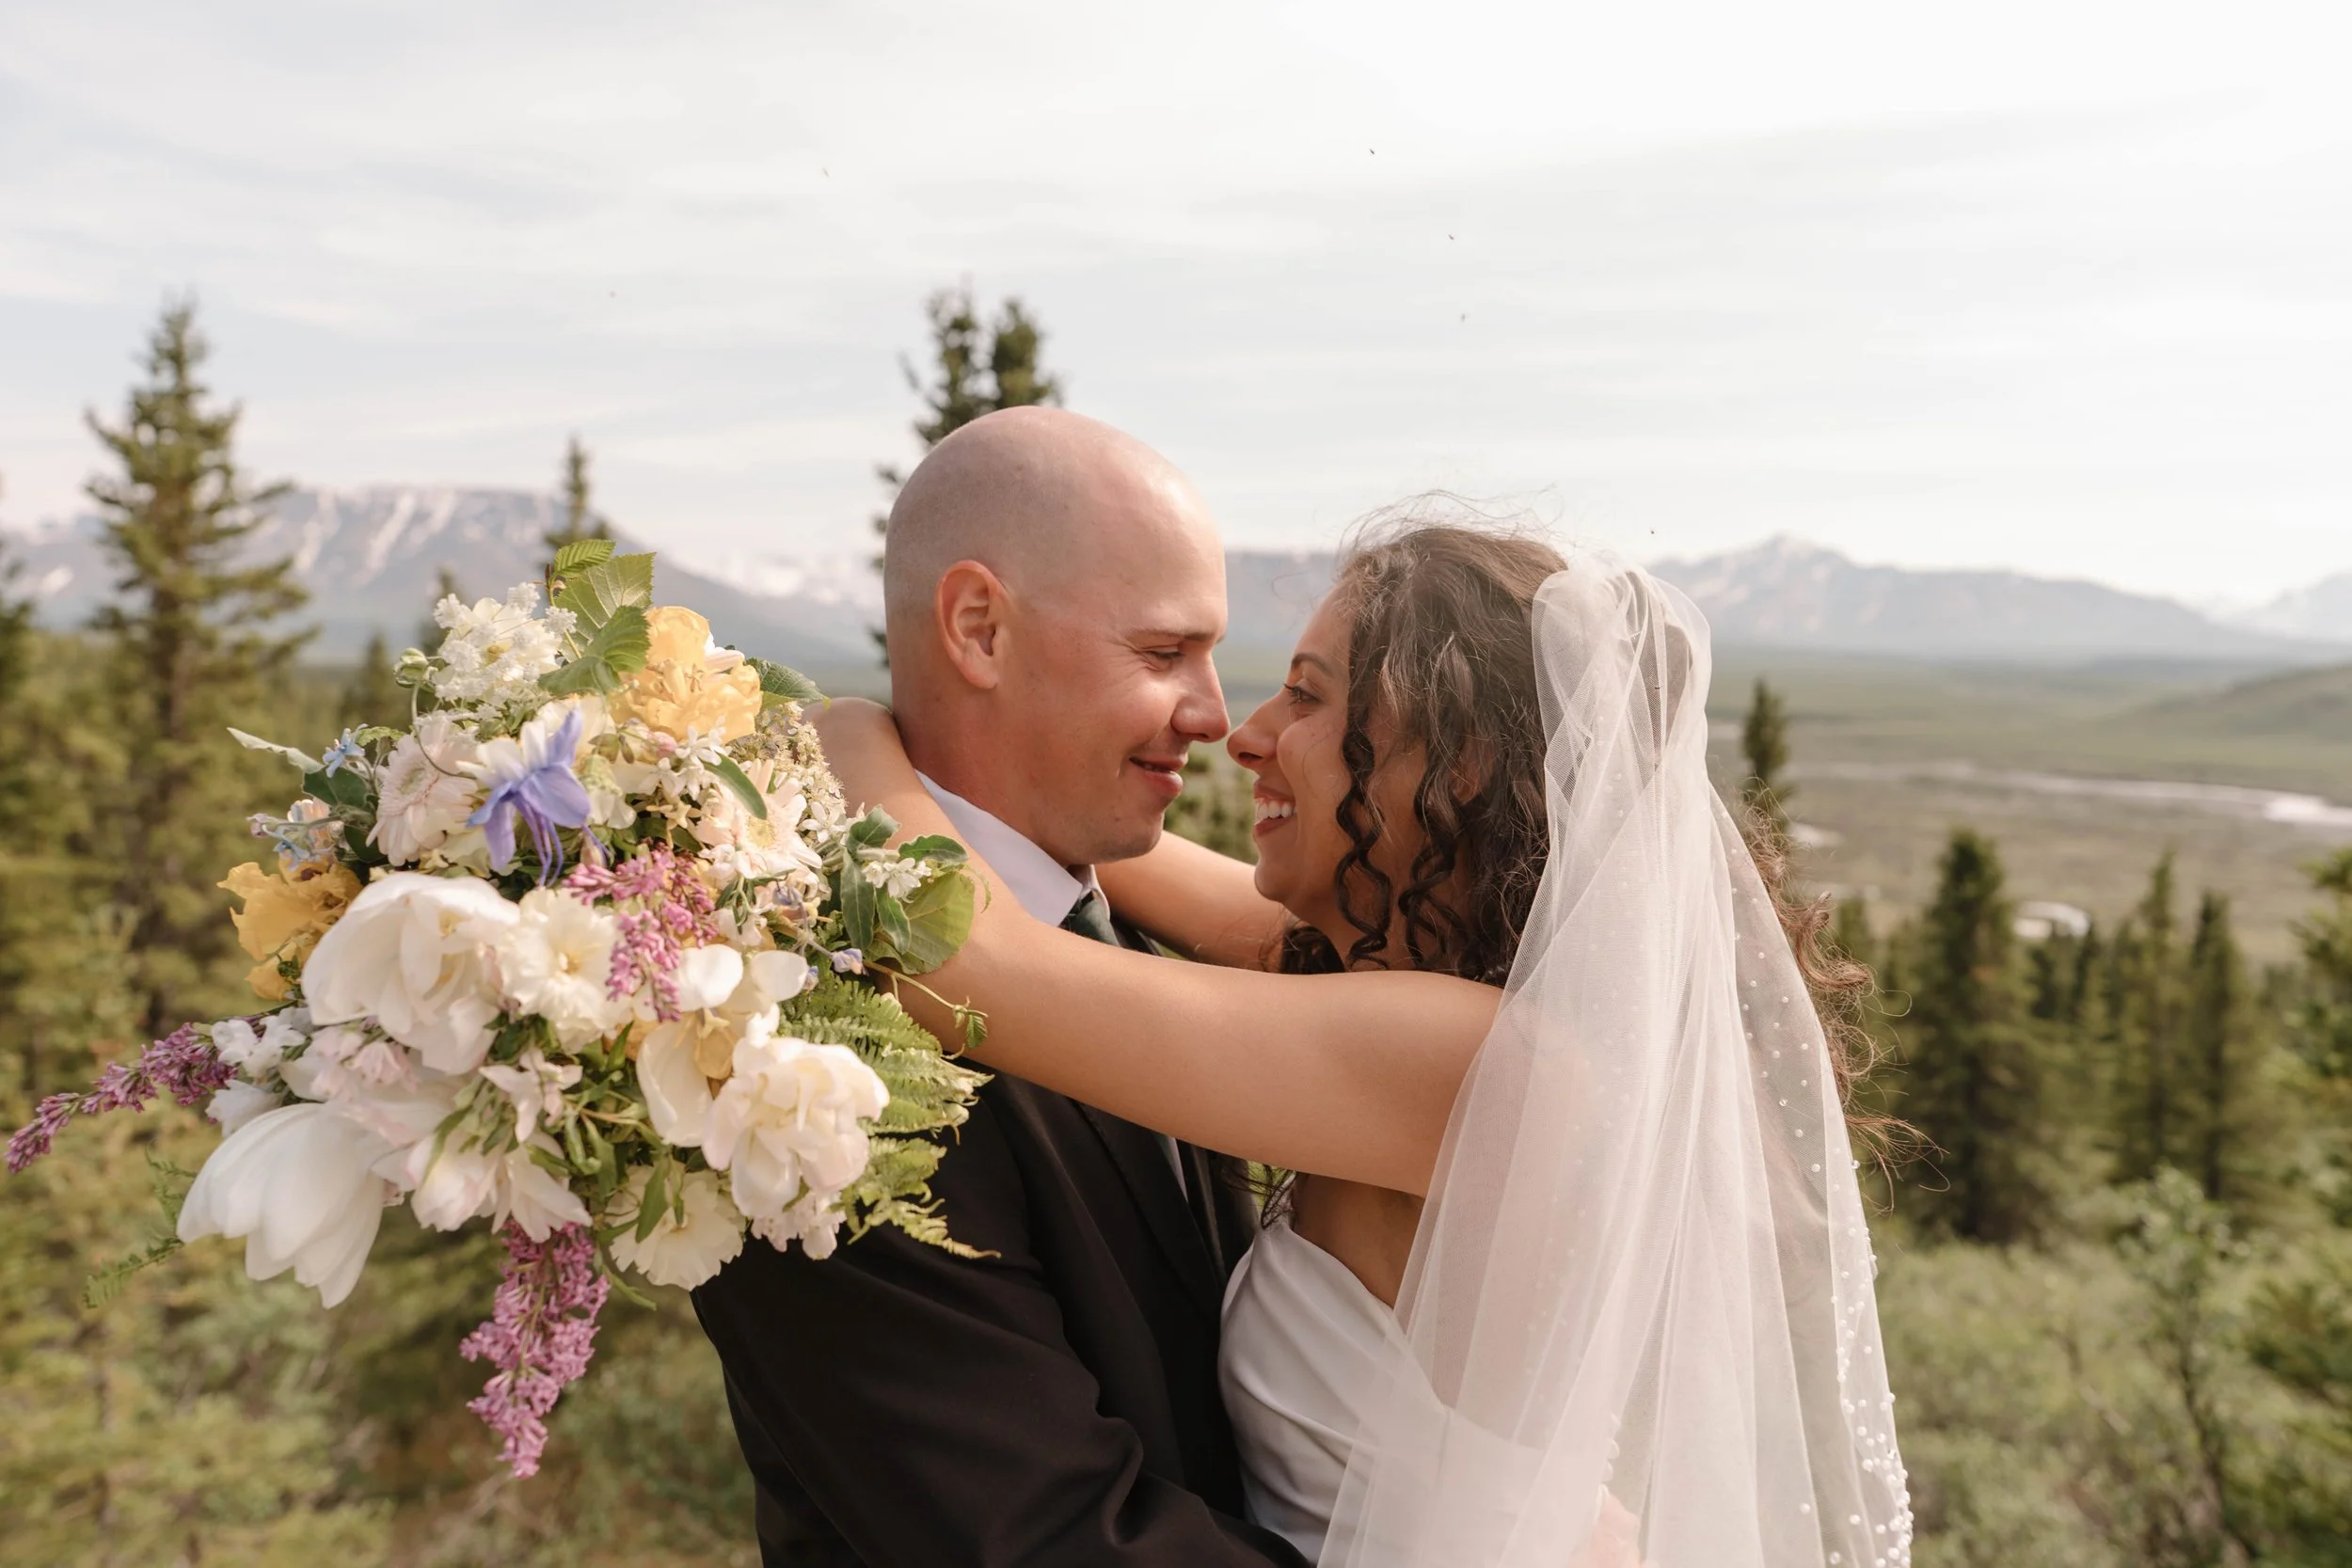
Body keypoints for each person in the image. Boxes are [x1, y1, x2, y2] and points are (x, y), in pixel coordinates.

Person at [815, 515, 1915, 1567]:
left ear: (1460, 763)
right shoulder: (1432, 984)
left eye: (1306, 695)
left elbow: (978, 959)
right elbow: (1087, 849)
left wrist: (838, 735)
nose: (1244, 735)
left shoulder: (1470, 1063)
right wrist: (964, 761)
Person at [692, 406, 1309, 1567]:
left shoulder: (1123, 927)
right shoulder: (805, 1056)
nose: (1216, 714)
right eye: (1164, 651)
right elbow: (1043, 1537)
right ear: (979, 628)